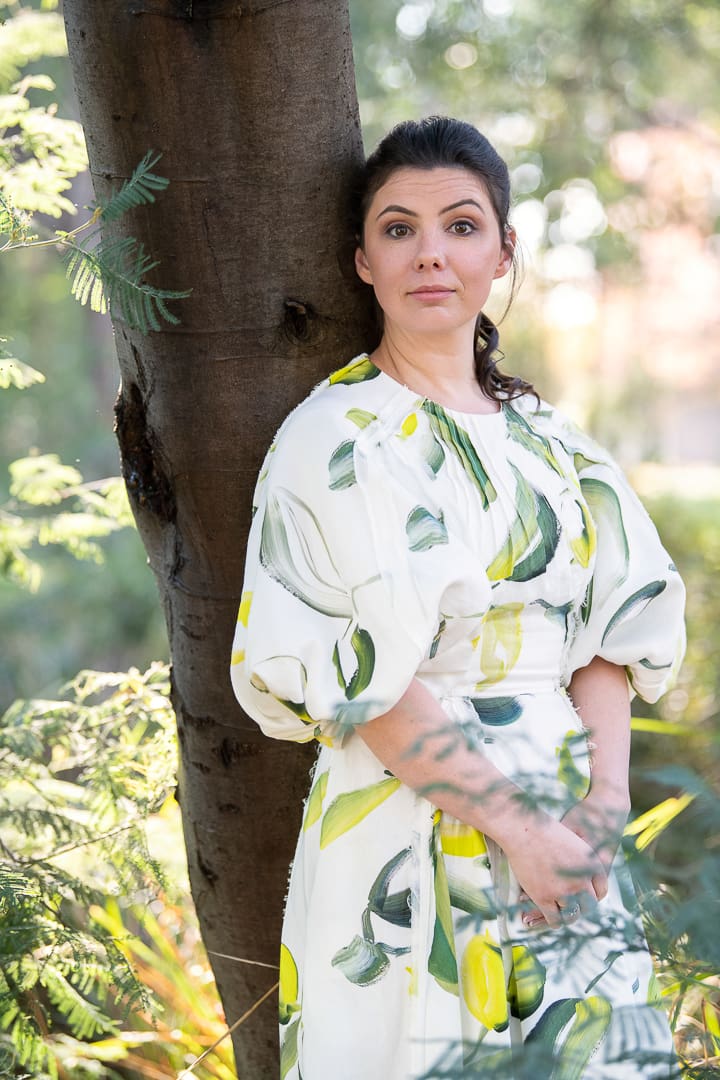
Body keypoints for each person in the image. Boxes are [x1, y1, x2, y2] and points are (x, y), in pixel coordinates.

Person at [230, 116, 686, 1079]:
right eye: (399, 229)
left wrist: (600, 808)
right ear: (362, 260)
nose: (430, 252)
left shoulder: (554, 441)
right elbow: (357, 677)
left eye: (461, 225)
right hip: (402, 822)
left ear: (504, 249)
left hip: (570, 829)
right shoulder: (332, 440)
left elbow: (611, 627)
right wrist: (515, 829)